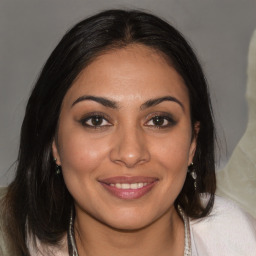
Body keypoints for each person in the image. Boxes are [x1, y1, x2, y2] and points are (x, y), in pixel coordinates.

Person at [0, 9, 255, 256]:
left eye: (158, 121)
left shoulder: (241, 240)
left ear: (193, 142)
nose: (131, 153)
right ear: (53, 143)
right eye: (97, 120)